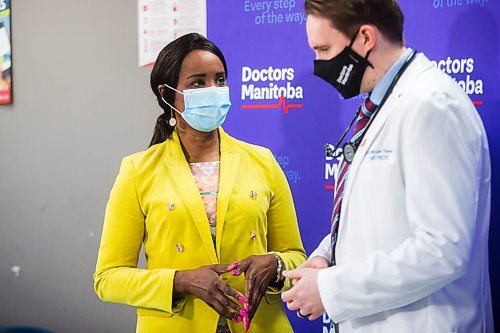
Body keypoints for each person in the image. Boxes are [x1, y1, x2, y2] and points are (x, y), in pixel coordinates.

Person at [281, 1, 494, 332]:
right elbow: (378, 219)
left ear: (365, 37)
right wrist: (326, 256)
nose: (319, 64)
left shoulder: (431, 105)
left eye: (324, 49)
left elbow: (443, 249)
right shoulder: (384, 103)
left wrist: (330, 289)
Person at [94, 33, 306, 333]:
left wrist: (276, 265)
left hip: (259, 325)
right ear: (167, 94)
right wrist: (181, 281)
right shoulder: (138, 170)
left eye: (220, 80)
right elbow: (108, 279)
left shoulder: (263, 162)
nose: (214, 90)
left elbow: (296, 257)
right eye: (198, 82)